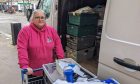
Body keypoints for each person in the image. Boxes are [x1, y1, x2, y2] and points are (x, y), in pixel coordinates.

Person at [17, 9, 64, 76]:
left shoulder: (51, 31)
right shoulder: (25, 31)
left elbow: (58, 46)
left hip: (49, 69)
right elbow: (22, 49)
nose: (40, 19)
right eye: (37, 17)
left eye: (42, 17)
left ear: (45, 19)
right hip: (33, 71)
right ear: (32, 19)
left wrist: (61, 60)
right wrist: (24, 65)